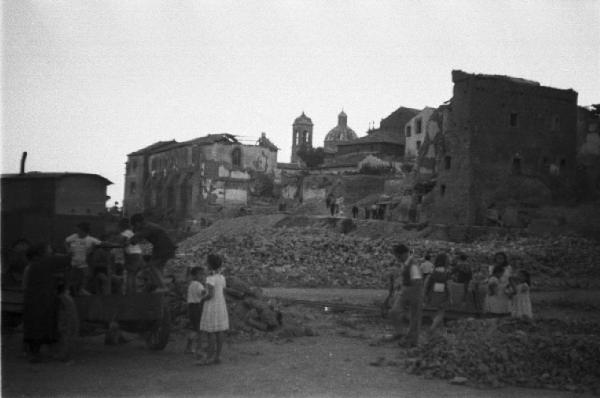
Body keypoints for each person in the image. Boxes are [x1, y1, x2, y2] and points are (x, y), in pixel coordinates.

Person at [22, 244, 61, 363]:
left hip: (43, 299)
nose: (51, 252)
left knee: (42, 325)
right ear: (41, 253)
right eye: (48, 250)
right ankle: (35, 353)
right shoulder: (32, 267)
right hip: (36, 300)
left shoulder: (42, 265)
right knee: (37, 326)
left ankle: (38, 352)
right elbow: (26, 286)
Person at [387, 244, 423, 347]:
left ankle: (412, 340)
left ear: (403, 254)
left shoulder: (413, 265)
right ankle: (400, 333)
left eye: (397, 256)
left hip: (414, 291)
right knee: (394, 312)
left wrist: (411, 295)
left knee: (414, 317)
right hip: (406, 290)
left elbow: (417, 281)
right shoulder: (406, 264)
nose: (396, 259)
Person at [129, 214, 176, 292]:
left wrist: (127, 241)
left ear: (137, 223)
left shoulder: (147, 227)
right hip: (165, 247)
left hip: (163, 247)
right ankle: (166, 283)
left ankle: (163, 287)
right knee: (159, 268)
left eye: (134, 225)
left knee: (152, 266)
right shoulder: (149, 225)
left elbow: (135, 239)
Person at [197, 254, 229, 365]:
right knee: (219, 331)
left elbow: (210, 295)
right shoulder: (222, 277)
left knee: (210, 332)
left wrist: (202, 298)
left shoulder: (210, 278)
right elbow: (223, 292)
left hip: (211, 306)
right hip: (220, 305)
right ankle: (217, 356)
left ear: (209, 265)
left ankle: (209, 357)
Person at [65, 222, 102, 296]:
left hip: (83, 262)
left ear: (84, 231)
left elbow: (100, 243)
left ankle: (81, 289)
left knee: (87, 275)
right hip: (74, 261)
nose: (77, 232)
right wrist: (68, 250)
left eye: (79, 231)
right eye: (77, 231)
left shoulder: (90, 239)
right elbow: (65, 242)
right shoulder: (74, 236)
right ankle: (67, 290)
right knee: (71, 277)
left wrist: (92, 249)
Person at [425, 254, 452, 333]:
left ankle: (442, 329)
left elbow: (427, 282)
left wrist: (426, 293)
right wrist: (450, 297)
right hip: (443, 293)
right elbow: (449, 286)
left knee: (438, 311)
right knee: (441, 312)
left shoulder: (433, 271)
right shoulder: (447, 272)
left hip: (433, 292)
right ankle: (432, 329)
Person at [117, 218, 144, 295]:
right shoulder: (131, 232)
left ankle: (128, 293)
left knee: (130, 275)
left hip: (132, 254)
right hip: (138, 254)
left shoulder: (126, 233)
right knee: (134, 275)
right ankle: (134, 292)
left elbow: (122, 241)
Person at [54, 281, 79, 362]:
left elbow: (64, 312)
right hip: (71, 321)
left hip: (67, 321)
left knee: (65, 339)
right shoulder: (68, 298)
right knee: (68, 339)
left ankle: (66, 357)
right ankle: (66, 356)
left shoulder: (62, 298)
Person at [186, 267, 207, 357]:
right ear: (195, 275)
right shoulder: (198, 285)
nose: (202, 276)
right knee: (199, 329)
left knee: (194, 328)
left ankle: (189, 347)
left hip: (191, 307)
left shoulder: (191, 284)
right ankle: (198, 348)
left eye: (203, 274)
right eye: (200, 274)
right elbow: (204, 293)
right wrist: (207, 286)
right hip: (197, 307)